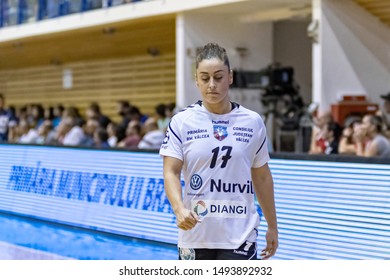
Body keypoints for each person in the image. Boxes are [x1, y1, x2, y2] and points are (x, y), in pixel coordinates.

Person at [159, 42, 278, 260]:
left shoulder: (252, 122)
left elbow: (261, 176)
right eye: (205, 78)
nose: (211, 84)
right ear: (196, 80)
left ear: (230, 77)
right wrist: (178, 209)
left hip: (240, 234)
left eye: (218, 77)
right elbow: (170, 172)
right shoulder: (182, 122)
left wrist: (272, 225)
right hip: (195, 233)